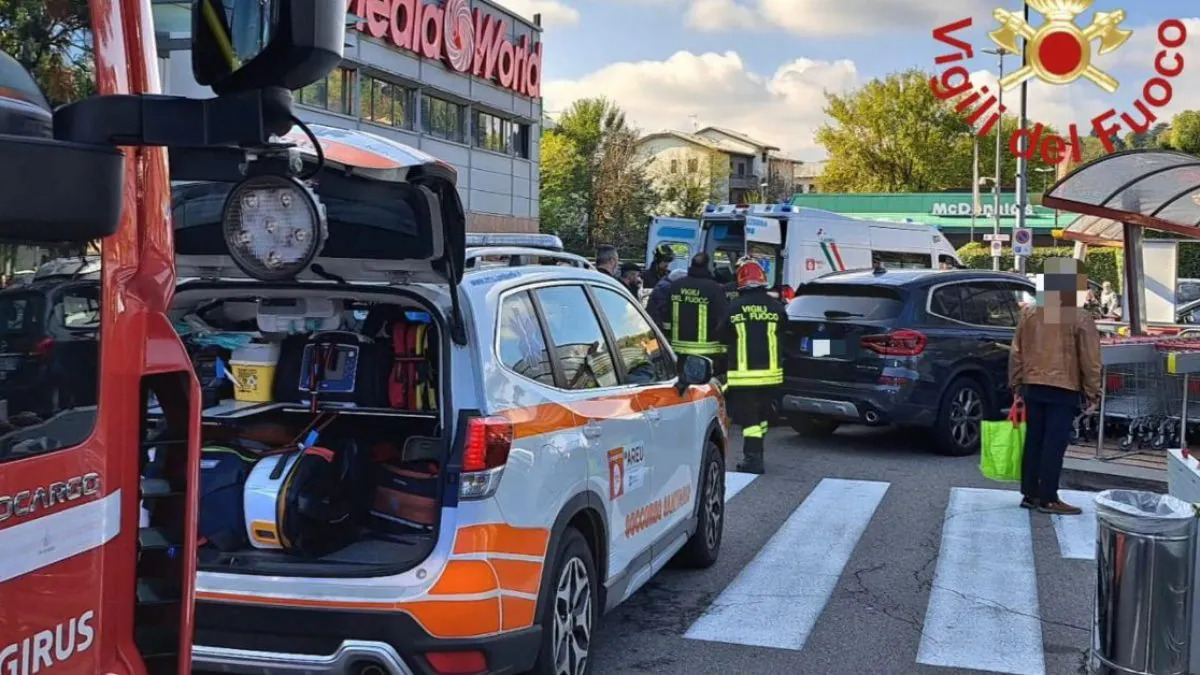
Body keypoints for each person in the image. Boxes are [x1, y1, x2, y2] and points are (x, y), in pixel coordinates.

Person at [1009, 257, 1102, 515]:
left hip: (1032, 384)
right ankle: (1049, 497)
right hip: (1064, 387)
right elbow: (1090, 359)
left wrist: (1016, 382)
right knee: (1054, 443)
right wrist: (1093, 392)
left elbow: (1017, 351)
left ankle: (1029, 493)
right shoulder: (1080, 317)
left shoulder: (1029, 312)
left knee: (1034, 440)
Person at [718, 259, 785, 474]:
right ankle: (757, 452)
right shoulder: (776, 307)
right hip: (771, 377)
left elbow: (720, 334)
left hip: (743, 376)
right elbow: (787, 331)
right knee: (761, 418)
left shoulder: (735, 307)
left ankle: (753, 460)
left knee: (749, 421)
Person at [654, 252, 728, 364]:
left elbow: (666, 315)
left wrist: (668, 336)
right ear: (707, 266)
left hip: (677, 350)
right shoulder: (714, 288)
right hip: (706, 352)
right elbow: (723, 318)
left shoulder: (675, 285)